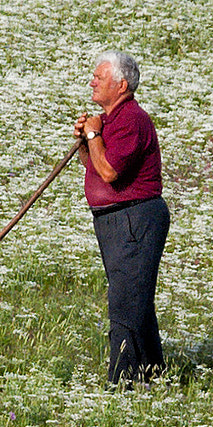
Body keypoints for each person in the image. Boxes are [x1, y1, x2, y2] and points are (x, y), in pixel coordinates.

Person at [75, 50, 167, 386]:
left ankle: (123, 383)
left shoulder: (131, 120)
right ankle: (153, 378)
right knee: (135, 298)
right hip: (117, 221)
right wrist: (87, 141)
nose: (92, 82)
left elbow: (111, 172)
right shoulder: (114, 120)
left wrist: (94, 135)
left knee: (125, 301)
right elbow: (97, 168)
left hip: (134, 219)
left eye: (99, 77)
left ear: (121, 84)